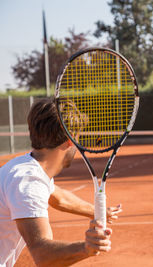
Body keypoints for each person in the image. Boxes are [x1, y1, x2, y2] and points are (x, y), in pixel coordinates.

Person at [0, 98, 122, 267]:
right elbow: (42, 254)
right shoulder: (28, 181)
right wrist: (86, 248)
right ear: (70, 140)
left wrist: (98, 212)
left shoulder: (25, 167)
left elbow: (59, 197)